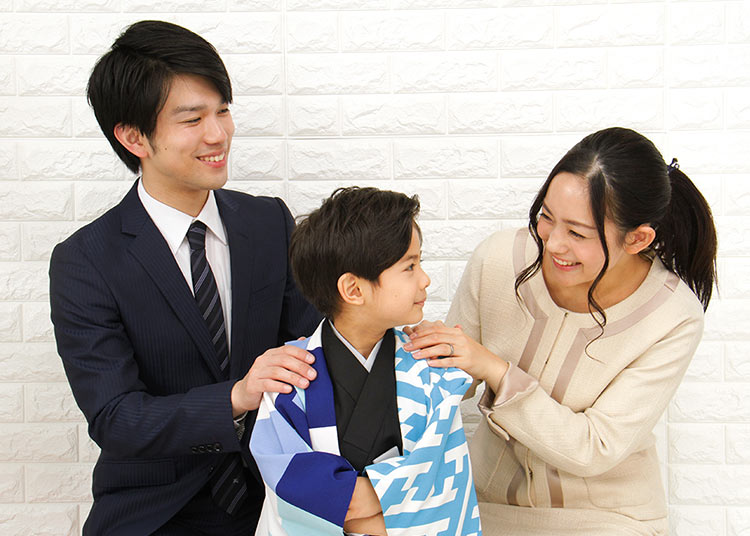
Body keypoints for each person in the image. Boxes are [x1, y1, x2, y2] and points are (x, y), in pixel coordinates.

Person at [48, 20, 321, 535]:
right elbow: (115, 418)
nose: (218, 134)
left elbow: (314, 349)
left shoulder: (269, 222)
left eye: (223, 111)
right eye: (192, 119)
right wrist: (237, 396)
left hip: (277, 502)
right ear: (133, 137)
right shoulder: (85, 261)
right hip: (156, 513)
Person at [403, 127, 717, 535]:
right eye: (546, 217)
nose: (552, 244)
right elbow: (451, 382)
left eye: (577, 233)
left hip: (607, 520)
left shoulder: (673, 316)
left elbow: (594, 447)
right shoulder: (498, 259)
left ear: (637, 239)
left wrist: (497, 371)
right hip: (482, 505)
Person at [249, 187, 482, 536]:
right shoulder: (290, 381)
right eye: (410, 266)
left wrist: (353, 506)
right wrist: (393, 508)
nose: (425, 279)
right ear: (354, 290)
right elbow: (287, 495)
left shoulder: (432, 372)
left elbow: (448, 494)